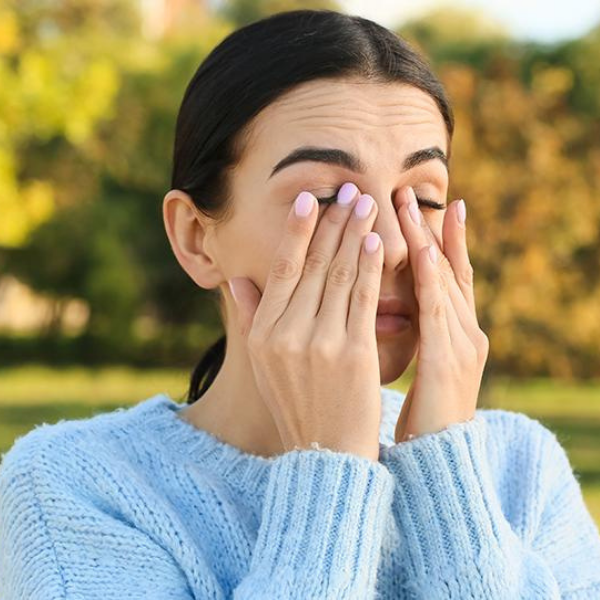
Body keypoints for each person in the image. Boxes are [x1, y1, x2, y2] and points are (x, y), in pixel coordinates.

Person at [1, 9, 599, 599]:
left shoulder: (519, 472)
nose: (392, 243)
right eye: (328, 196)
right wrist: (329, 473)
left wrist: (449, 480)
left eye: (423, 199)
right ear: (195, 237)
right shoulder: (73, 488)